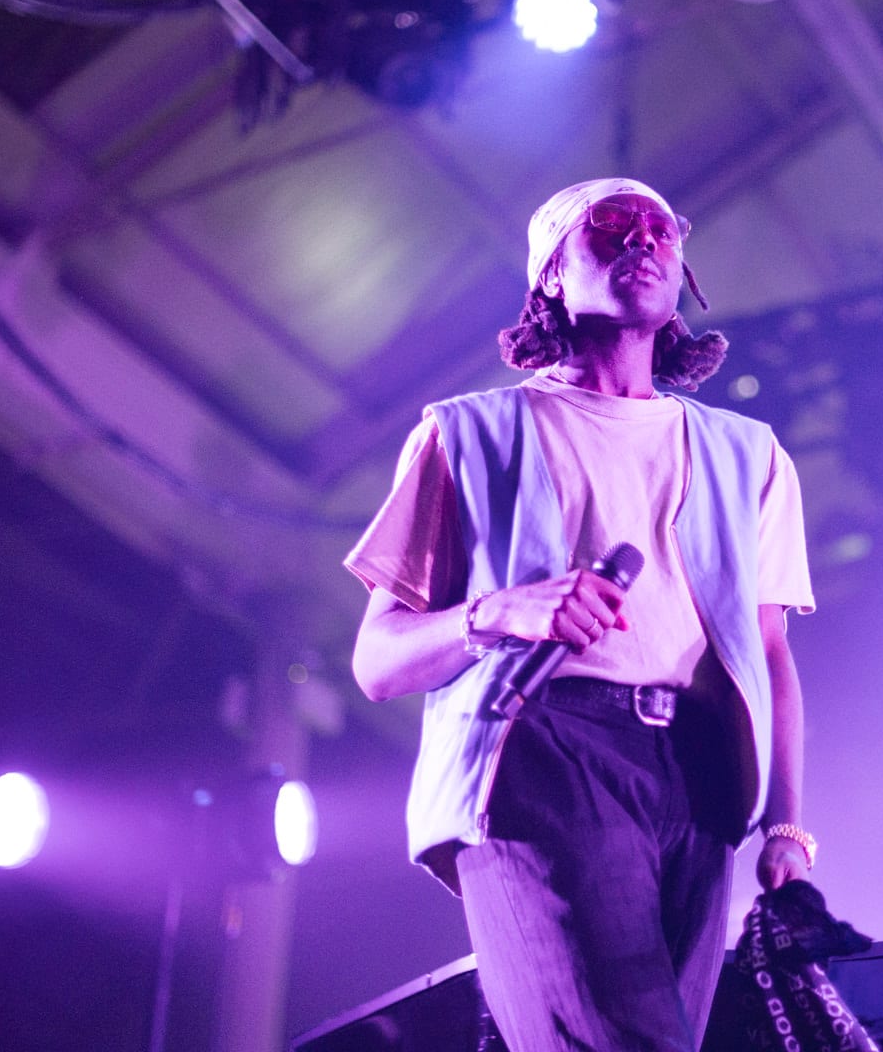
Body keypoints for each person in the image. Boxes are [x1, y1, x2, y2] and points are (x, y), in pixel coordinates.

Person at [344, 177, 818, 1052]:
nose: (642, 239)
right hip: (543, 750)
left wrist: (785, 823)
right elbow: (376, 662)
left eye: (661, 229)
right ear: (552, 276)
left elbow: (771, 653)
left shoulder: (749, 455)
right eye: (610, 225)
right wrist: (499, 612)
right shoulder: (467, 435)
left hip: (703, 774)